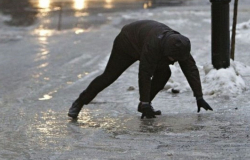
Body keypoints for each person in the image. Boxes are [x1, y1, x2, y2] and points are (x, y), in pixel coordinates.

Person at [68, 20, 213, 119]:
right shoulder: (154, 46)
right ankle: (80, 101)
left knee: (165, 73)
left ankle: (144, 104)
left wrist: (199, 96)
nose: (175, 62)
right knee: (109, 76)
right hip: (127, 42)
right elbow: (145, 74)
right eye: (172, 60)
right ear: (166, 52)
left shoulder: (180, 45)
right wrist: (145, 102)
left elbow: (191, 69)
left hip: (144, 38)